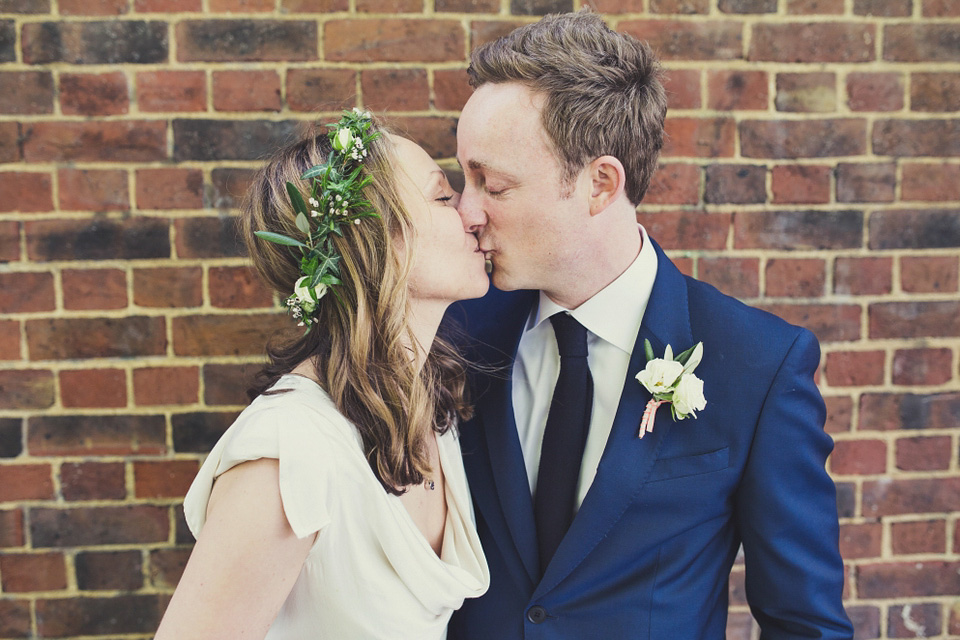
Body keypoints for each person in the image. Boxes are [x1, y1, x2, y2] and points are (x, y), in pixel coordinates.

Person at [446, 11, 853, 639]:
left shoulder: (757, 364)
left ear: (599, 183)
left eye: (491, 185)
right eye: (462, 178)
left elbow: (805, 623)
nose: (466, 212)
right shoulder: (454, 334)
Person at [155, 110, 490, 639]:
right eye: (444, 197)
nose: (473, 214)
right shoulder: (288, 451)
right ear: (376, 239)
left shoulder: (430, 411)